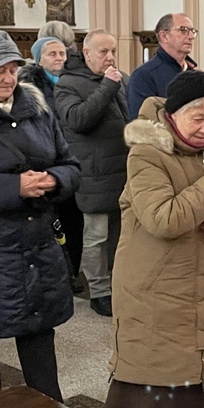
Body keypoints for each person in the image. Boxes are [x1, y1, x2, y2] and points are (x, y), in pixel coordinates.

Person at [106, 70, 204, 408]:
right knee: (150, 379)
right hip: (155, 291)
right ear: (173, 114)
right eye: (198, 118)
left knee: (189, 383)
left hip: (196, 289)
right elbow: (163, 219)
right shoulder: (147, 154)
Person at [0, 32, 79, 402]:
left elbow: (72, 166)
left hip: (37, 249)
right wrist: (14, 188)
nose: (7, 78)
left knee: (39, 349)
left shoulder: (39, 110)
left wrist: (54, 179)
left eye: (12, 68)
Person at [54, 30, 129, 317]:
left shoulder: (119, 78)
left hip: (122, 170)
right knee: (96, 236)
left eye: (113, 51)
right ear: (86, 54)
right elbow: (78, 119)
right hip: (94, 173)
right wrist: (108, 87)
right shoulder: (67, 84)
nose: (110, 57)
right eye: (103, 52)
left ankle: (119, 283)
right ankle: (98, 290)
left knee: (120, 235)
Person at [35, 23, 85, 292]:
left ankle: (72, 272)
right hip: (45, 164)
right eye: (51, 53)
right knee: (50, 226)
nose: (58, 58)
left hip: (70, 162)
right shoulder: (30, 87)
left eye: (61, 53)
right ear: (39, 58)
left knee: (74, 223)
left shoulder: (76, 81)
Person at [127, 13, 198, 120]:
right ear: (164, 36)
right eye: (183, 30)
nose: (191, 37)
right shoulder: (144, 75)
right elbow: (141, 124)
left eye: (192, 31)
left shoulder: (195, 73)